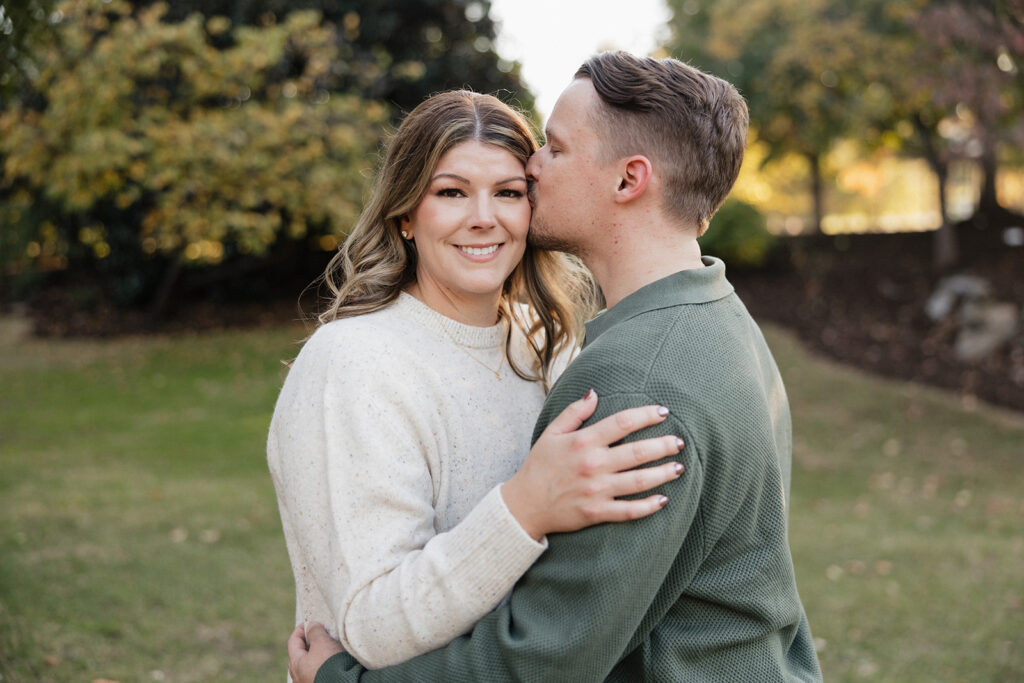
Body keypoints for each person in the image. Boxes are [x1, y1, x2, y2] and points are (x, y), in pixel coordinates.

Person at [289, 51, 823, 682]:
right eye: (452, 191)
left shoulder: (637, 380)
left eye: (555, 148)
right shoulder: (717, 316)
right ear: (407, 211)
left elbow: (545, 657)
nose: (533, 166)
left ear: (628, 180)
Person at [267, 90, 688, 675]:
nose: (483, 217)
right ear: (406, 213)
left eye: (509, 193)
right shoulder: (353, 363)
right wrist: (524, 507)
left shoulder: (549, 346)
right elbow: (373, 629)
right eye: (451, 192)